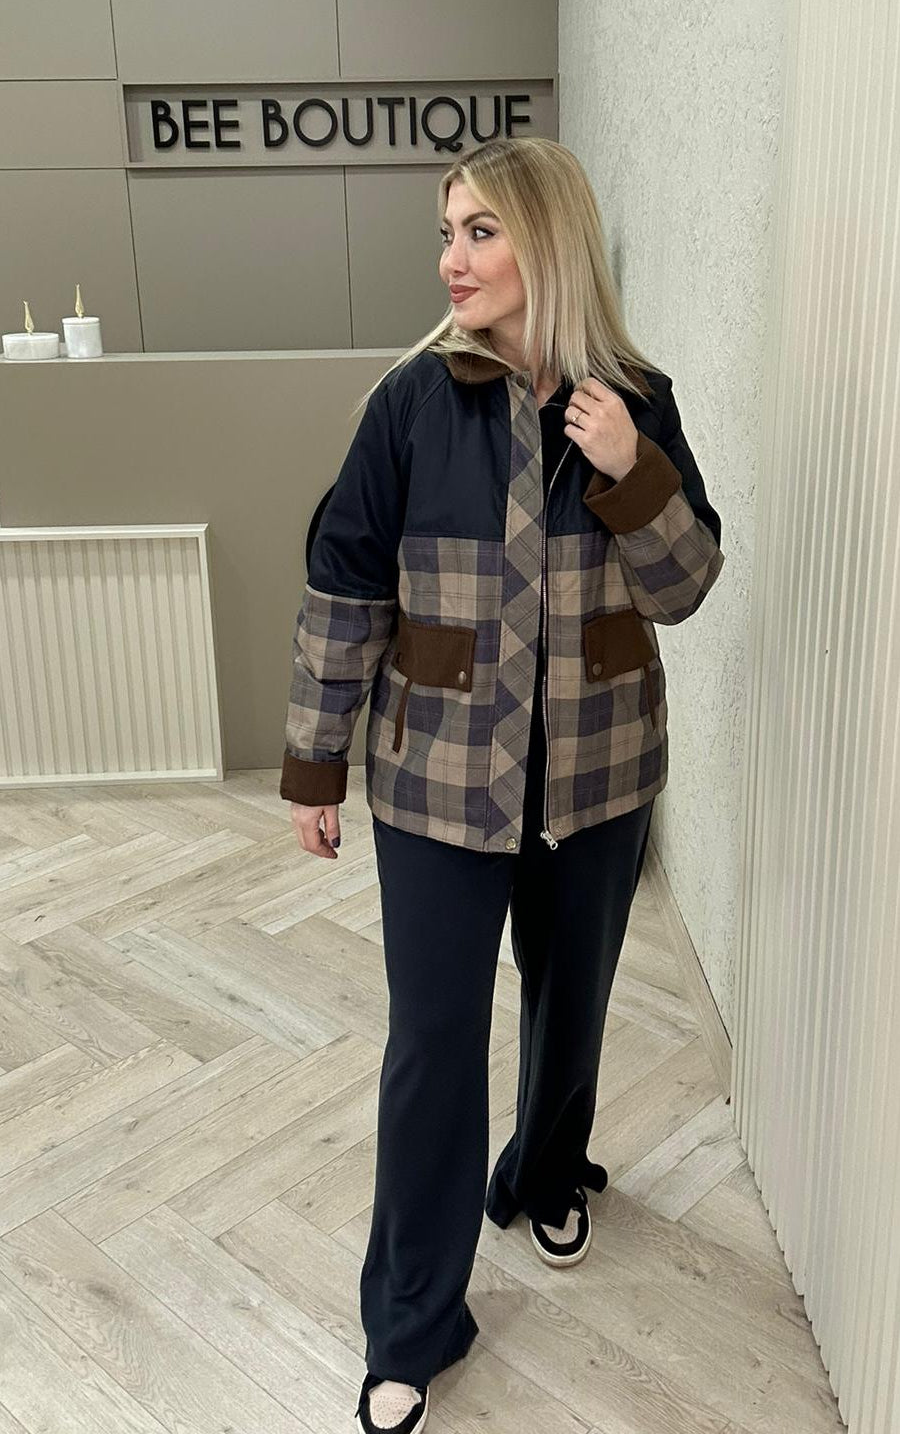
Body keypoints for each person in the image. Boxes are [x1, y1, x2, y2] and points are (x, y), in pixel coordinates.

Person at [279, 138, 725, 1434]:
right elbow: (344, 585)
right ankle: (411, 1323)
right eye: (448, 233)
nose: (452, 260)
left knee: (571, 1006)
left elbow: (686, 589)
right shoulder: (412, 406)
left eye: (480, 231)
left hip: (596, 777)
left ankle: (543, 1174)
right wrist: (313, 760)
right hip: (436, 784)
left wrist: (632, 469)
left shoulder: (637, 400)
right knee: (431, 1046)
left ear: (550, 239)